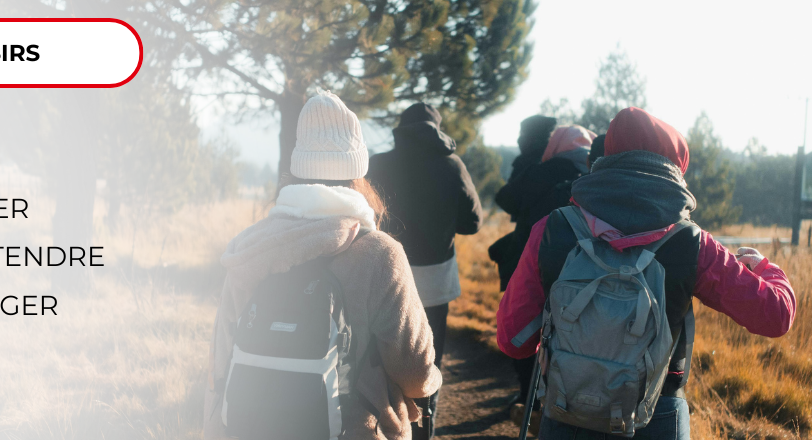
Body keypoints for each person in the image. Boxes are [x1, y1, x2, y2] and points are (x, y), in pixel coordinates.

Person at [495, 107, 797, 440]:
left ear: (607, 156)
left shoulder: (554, 229)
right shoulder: (691, 244)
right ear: (675, 169)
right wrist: (766, 270)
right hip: (655, 417)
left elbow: (513, 340)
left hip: (568, 413)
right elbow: (776, 316)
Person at [203, 91, 441, 440]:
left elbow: (219, 363)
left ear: (297, 169)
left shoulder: (250, 246)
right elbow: (415, 370)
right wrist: (430, 381)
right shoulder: (380, 254)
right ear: (358, 173)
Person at [367, 102, 484, 440]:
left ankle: (385, 422)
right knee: (430, 354)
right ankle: (425, 424)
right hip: (434, 275)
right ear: (437, 128)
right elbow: (473, 223)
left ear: (401, 128)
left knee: (382, 349)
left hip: (386, 269)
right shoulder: (452, 165)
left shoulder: (379, 164)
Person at [490, 124, 595, 420]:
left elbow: (505, 198)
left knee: (525, 326)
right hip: (577, 268)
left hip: (530, 254)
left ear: (557, 144)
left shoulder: (542, 170)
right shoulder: (594, 174)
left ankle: (528, 398)